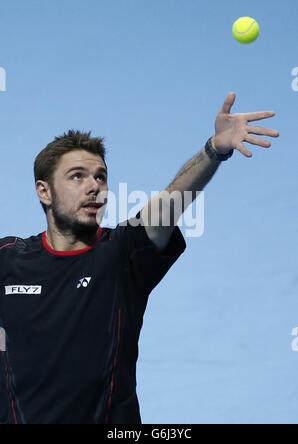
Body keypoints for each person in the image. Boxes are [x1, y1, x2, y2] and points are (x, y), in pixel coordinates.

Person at [0, 92, 279, 424]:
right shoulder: (8, 258)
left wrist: (213, 150)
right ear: (44, 191)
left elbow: (168, 203)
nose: (94, 187)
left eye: (100, 176)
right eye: (77, 176)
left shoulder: (121, 253)